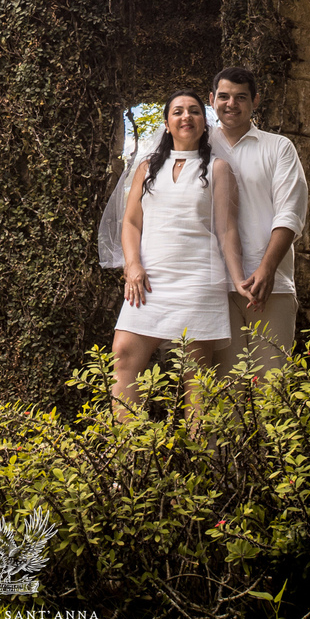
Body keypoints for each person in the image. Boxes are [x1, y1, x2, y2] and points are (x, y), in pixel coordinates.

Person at [106, 89, 250, 411]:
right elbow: (130, 222)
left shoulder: (218, 169)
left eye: (195, 111)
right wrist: (132, 265)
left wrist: (239, 280)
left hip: (198, 280)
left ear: (204, 121)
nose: (187, 116)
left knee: (195, 379)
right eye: (178, 112)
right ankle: (131, 454)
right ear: (167, 124)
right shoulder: (146, 168)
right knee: (123, 355)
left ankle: (197, 460)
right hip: (149, 279)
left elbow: (227, 231)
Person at [208, 66, 308, 378]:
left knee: (272, 385)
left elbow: (290, 212)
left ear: (255, 101)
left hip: (270, 287)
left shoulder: (278, 148)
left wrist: (266, 270)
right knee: (225, 393)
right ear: (211, 100)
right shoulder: (199, 149)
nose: (231, 104)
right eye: (223, 96)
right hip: (214, 286)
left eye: (240, 97)